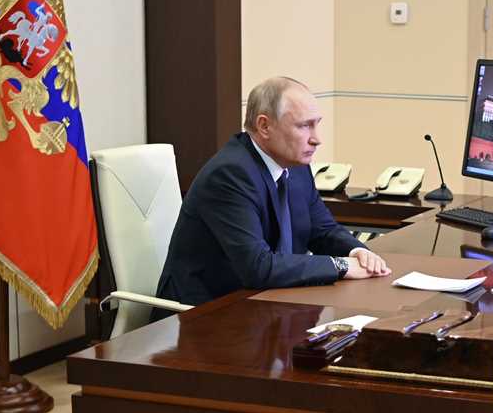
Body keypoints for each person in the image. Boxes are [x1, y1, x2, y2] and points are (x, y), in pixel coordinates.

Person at [157, 76, 391, 307]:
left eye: (316, 124)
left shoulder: (295, 166)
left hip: (267, 302)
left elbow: (322, 230)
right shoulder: (230, 174)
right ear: (264, 126)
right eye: (304, 126)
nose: (316, 139)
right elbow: (257, 266)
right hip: (204, 312)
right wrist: (340, 266)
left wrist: (357, 252)